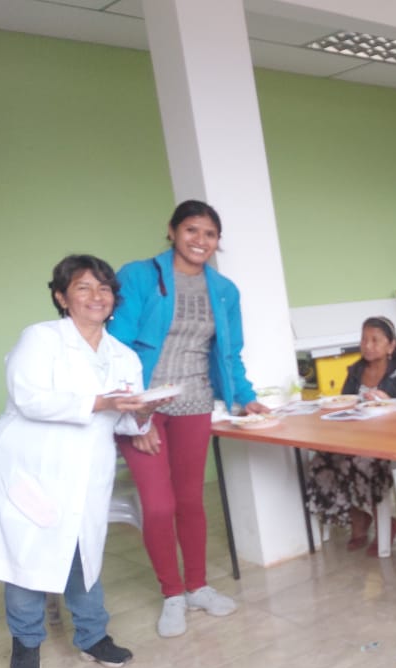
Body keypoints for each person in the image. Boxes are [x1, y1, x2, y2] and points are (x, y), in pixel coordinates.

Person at [0, 256, 160, 668]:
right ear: (61, 297)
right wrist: (101, 402)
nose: (96, 296)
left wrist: (144, 413)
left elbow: (125, 422)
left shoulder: (123, 355)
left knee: (83, 552)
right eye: (83, 287)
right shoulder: (41, 338)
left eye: (104, 288)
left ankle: (92, 636)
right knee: (27, 556)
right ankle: (26, 642)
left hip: (87, 469)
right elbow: (28, 398)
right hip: (33, 464)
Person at [111, 200, 271, 639]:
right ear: (172, 231)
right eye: (191, 230)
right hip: (143, 408)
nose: (200, 240)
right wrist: (137, 419)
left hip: (194, 403)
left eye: (210, 234)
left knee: (190, 501)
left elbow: (229, 354)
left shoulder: (225, 290)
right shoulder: (139, 276)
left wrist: (246, 398)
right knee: (158, 505)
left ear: (217, 241)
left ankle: (197, 586)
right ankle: (172, 594)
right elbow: (115, 350)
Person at [306, 316, 396, 553]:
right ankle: (358, 517)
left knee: (360, 460)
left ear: (391, 345)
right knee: (323, 459)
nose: (367, 345)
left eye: (375, 340)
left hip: (392, 438)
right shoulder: (356, 370)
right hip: (357, 435)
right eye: (364, 339)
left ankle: (383, 521)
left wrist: (389, 401)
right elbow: (345, 400)